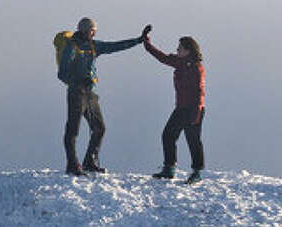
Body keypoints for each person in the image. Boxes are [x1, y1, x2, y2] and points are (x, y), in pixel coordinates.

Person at [54, 17, 149, 175]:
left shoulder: (93, 45)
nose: (94, 33)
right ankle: (72, 164)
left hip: (89, 94)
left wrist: (139, 40)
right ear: (86, 30)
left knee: (99, 128)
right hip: (76, 93)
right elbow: (62, 73)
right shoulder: (72, 46)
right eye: (93, 30)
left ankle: (89, 162)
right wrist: (76, 82)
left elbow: (114, 46)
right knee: (73, 130)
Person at [143, 33, 206, 183]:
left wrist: (196, 113)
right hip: (181, 108)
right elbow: (162, 57)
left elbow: (199, 91)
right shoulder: (180, 62)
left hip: (193, 109)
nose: (177, 51)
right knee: (168, 135)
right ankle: (169, 168)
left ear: (188, 50)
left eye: (180, 49)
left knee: (193, 140)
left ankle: (197, 172)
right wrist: (147, 44)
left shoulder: (197, 68)